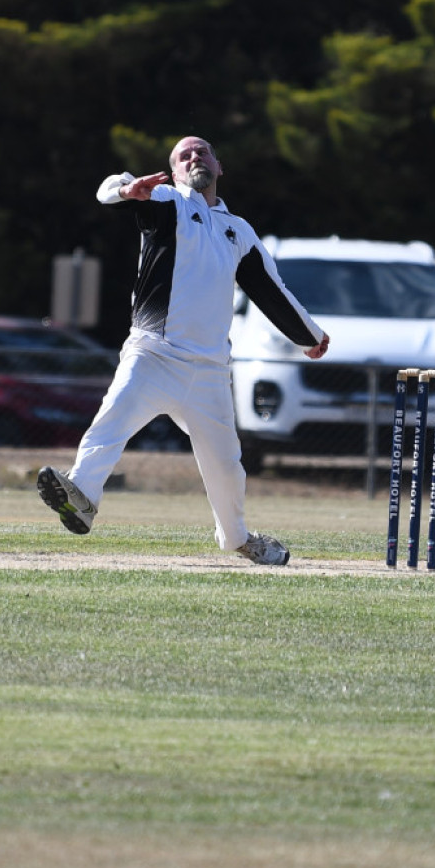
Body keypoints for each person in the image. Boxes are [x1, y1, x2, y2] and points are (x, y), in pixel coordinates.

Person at [36, 136, 330, 564]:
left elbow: (272, 291)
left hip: (209, 370)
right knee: (111, 419)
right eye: (184, 155)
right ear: (173, 171)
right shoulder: (165, 199)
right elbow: (108, 189)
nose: (195, 157)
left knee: (227, 466)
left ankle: (238, 539)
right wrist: (126, 190)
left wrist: (310, 336)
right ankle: (82, 497)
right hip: (154, 353)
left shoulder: (239, 231)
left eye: (203, 151)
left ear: (219, 165)